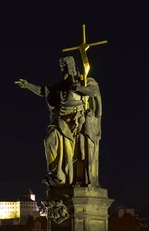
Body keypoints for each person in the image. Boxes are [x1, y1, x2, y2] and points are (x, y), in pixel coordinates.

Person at [15, 56, 92, 187]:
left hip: (75, 122)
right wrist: (28, 85)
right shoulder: (60, 86)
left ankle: (65, 178)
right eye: (61, 68)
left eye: (65, 67)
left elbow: (93, 92)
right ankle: (57, 176)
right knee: (49, 141)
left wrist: (77, 88)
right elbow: (43, 91)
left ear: (71, 67)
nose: (63, 70)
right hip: (60, 121)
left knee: (70, 152)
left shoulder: (83, 81)